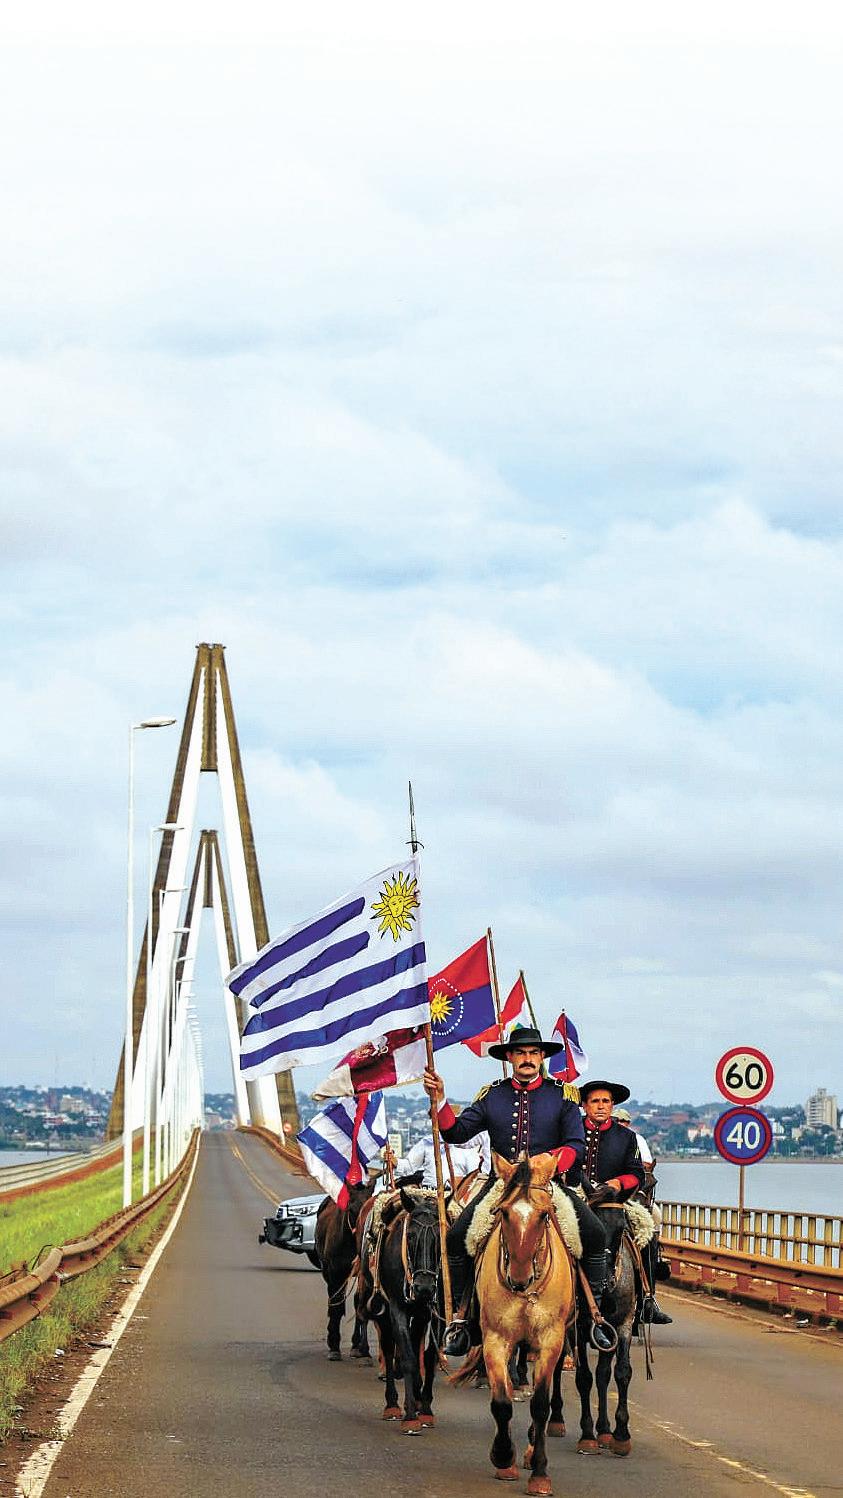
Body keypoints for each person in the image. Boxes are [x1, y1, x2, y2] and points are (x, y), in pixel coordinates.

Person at [423, 1024, 615, 1355]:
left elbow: (576, 1145)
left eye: (534, 1053)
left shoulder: (562, 1095)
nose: (527, 1058)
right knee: (455, 1239)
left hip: (546, 1185)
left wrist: (550, 1160)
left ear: (542, 1057)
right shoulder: (492, 1095)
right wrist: (439, 1099)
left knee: (596, 1234)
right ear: (510, 1057)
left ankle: (593, 1316)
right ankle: (462, 1318)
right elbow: (456, 1132)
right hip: (503, 1186)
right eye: (521, 1053)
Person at [614, 1105, 672, 1325]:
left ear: (629, 1124)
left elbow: (646, 1169)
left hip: (634, 1196)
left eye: (624, 1121)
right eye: (617, 1121)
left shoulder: (637, 1140)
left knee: (653, 1218)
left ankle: (648, 1297)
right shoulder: (601, 1136)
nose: (621, 1124)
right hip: (606, 1194)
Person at [388, 1128, 491, 1188]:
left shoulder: (467, 1145)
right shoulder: (427, 1142)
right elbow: (409, 1166)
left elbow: (473, 1175)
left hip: (455, 1195)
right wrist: (394, 1161)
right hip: (428, 1193)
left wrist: (459, 1182)